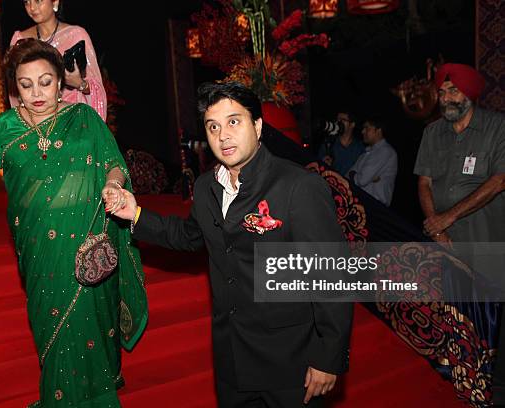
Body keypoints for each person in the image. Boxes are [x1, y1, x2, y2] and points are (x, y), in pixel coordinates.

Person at [0, 38, 147, 407]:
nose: (37, 93)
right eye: (26, 84)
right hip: (40, 249)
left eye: (46, 82)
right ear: (14, 87)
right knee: (53, 326)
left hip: (87, 240)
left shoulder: (83, 119)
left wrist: (113, 184)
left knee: (91, 324)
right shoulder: (4, 127)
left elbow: (113, 162)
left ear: (60, 81)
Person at [107, 81, 353, 407]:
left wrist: (328, 356)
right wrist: (134, 213)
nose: (223, 135)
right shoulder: (208, 185)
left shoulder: (298, 186)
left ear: (258, 126)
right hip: (232, 357)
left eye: (234, 122)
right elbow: (190, 236)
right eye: (213, 126)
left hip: (291, 360)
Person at [413, 63, 505, 405]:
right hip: (445, 242)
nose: (446, 98)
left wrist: (446, 217)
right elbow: (423, 182)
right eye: (442, 92)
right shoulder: (432, 132)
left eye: (453, 91)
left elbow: (499, 180)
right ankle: (456, 380)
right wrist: (436, 225)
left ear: (470, 94)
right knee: (451, 312)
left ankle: (492, 386)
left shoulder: (497, 127)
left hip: (487, 238)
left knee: (490, 312)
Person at [10, 0, 108, 120]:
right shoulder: (20, 40)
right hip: (35, 120)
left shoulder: (76, 35)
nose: (31, 7)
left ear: (55, 2)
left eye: (37, 1)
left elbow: (97, 87)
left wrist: (79, 84)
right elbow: (14, 92)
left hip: (72, 120)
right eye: (26, 2)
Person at [347, 117, 398, 206]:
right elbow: (347, 177)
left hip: (375, 207)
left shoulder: (385, 151)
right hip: (364, 204)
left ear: (378, 130)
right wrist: (359, 176)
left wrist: (353, 174)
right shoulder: (366, 153)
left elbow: (361, 180)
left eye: (367, 128)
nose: (363, 131)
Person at [317, 111, 365, 176]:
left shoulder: (359, 147)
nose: (339, 122)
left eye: (343, 120)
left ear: (352, 124)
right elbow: (318, 164)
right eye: (338, 120)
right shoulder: (329, 143)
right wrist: (324, 163)